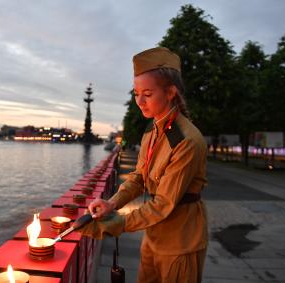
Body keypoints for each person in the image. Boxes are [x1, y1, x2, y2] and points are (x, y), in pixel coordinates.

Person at [78, 47, 208, 283]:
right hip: (153, 234)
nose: (139, 101)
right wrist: (111, 203)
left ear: (170, 92)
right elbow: (139, 177)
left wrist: (117, 223)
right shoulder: (152, 131)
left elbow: (163, 204)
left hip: (181, 242)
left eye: (147, 93)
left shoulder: (187, 140)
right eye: (136, 93)